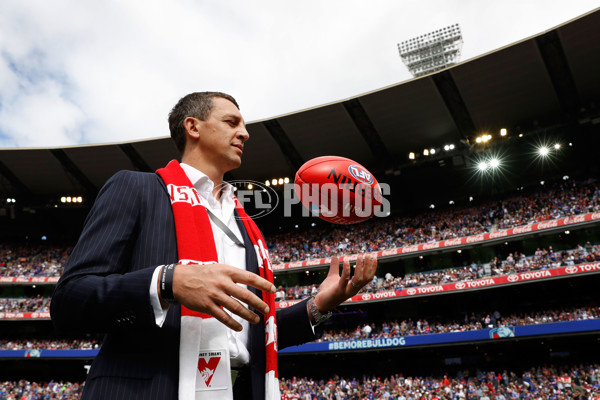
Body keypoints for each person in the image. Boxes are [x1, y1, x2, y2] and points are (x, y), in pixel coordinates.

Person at [50, 92, 377, 400]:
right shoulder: (137, 188)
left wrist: (320, 304)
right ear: (193, 126)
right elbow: (70, 300)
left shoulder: (246, 225)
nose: (245, 134)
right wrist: (167, 282)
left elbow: (250, 336)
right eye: (232, 122)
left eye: (244, 126)